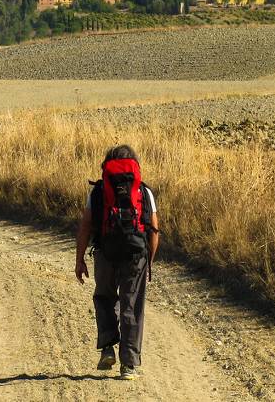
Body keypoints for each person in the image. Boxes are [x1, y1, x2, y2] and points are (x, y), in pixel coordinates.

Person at [75, 145, 160, 381]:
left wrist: (79, 259)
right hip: (136, 254)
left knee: (104, 297)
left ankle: (107, 350)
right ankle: (129, 366)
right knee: (132, 305)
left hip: (105, 253)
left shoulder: (98, 191)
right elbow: (154, 230)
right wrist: (148, 260)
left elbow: (85, 227)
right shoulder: (144, 192)